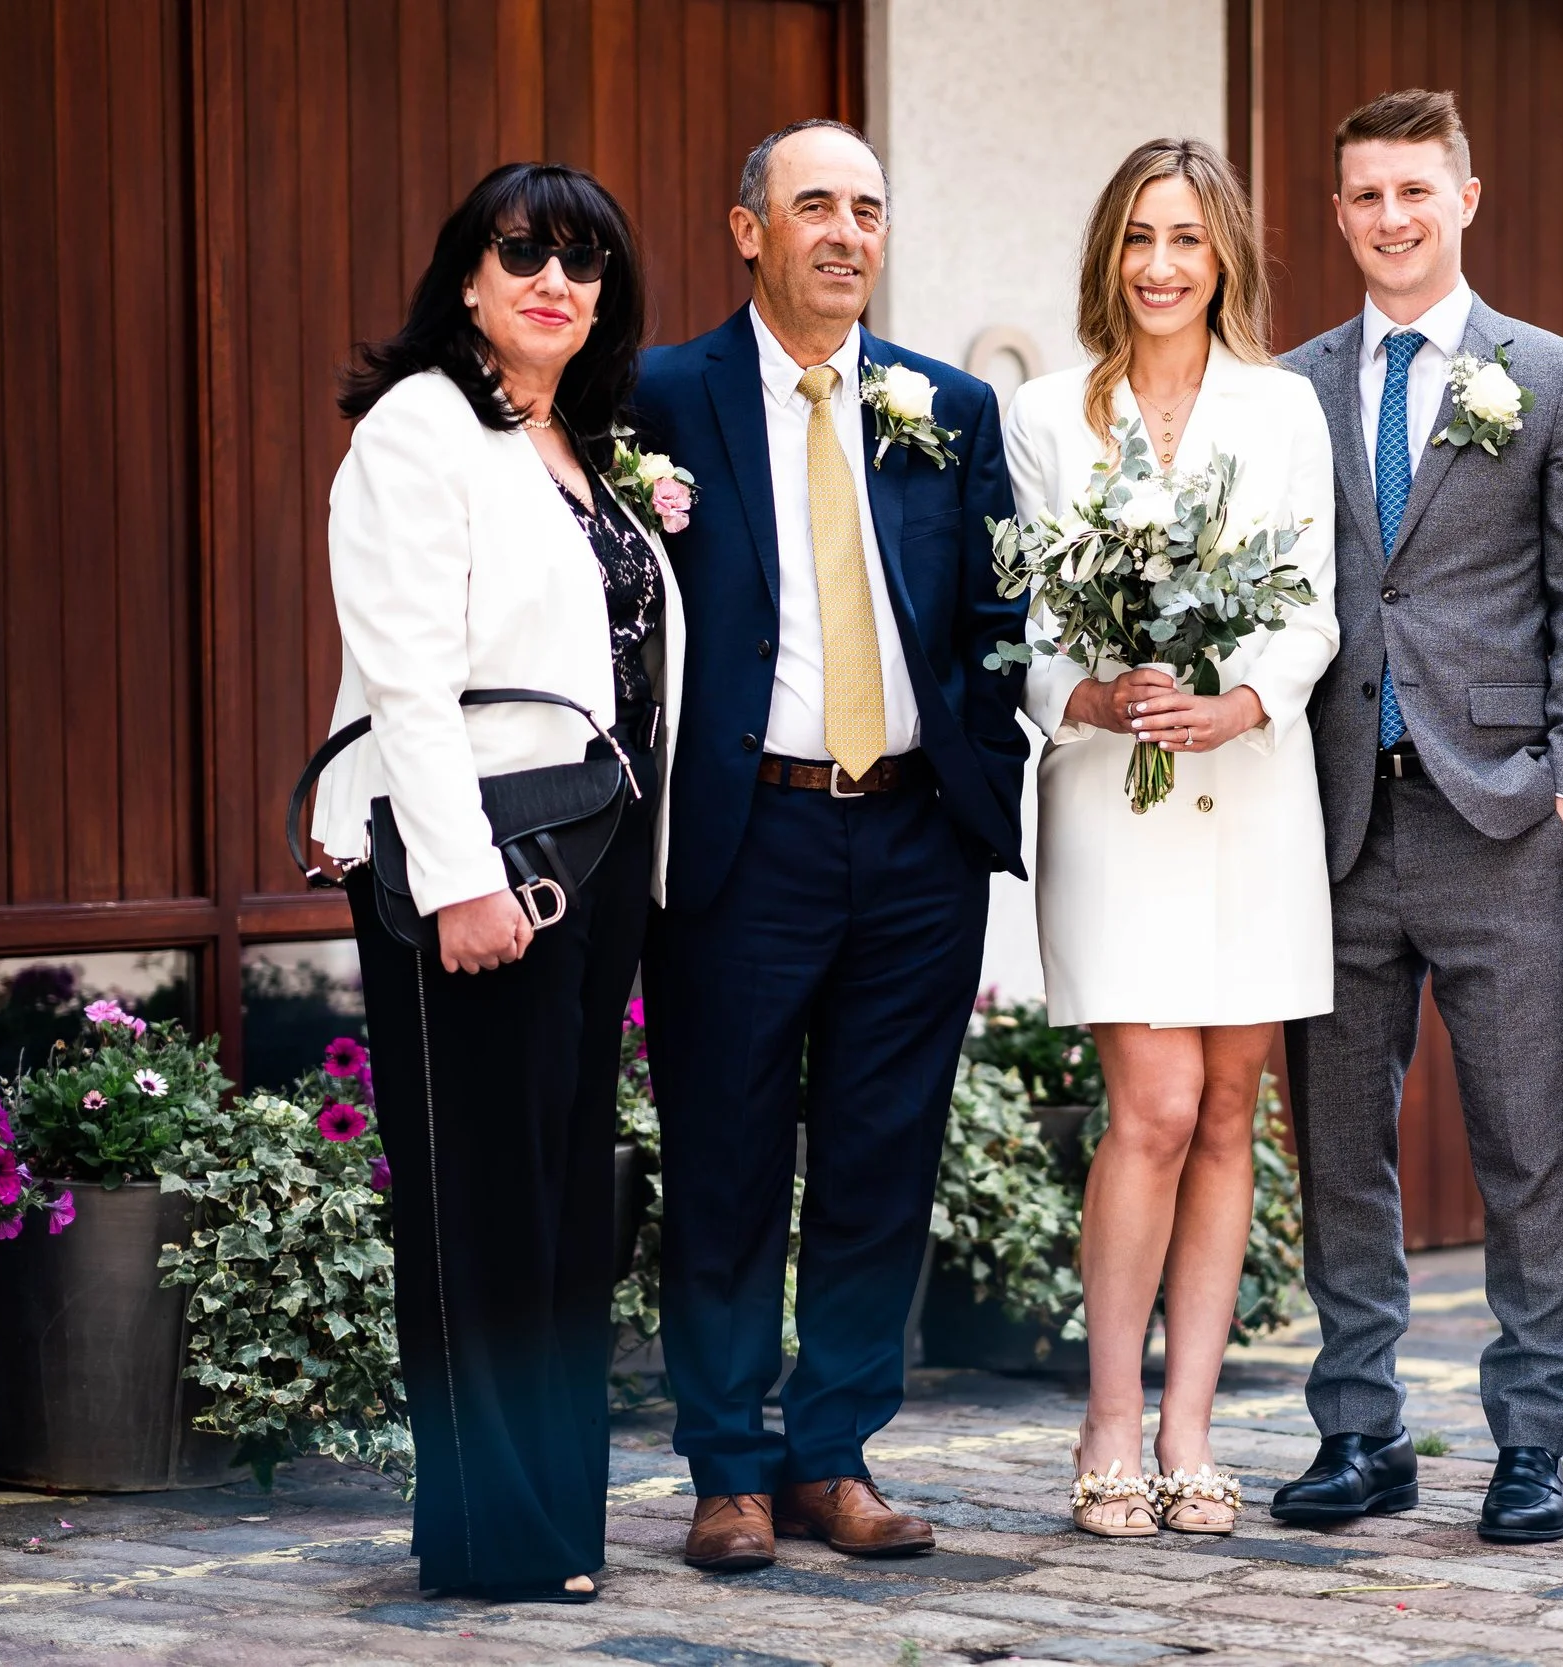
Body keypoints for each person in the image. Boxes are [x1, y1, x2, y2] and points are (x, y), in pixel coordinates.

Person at [630, 119, 1028, 1573]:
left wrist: (983, 773)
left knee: (881, 1160)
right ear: (751, 230)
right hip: (745, 837)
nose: (847, 232)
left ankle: (832, 1456)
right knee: (724, 1161)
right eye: (815, 205)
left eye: (867, 208)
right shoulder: (660, 395)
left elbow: (996, 615)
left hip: (916, 839)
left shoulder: (949, 407)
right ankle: (727, 1469)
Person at [316, 161, 683, 1604]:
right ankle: (491, 1537)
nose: (553, 281)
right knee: (480, 1205)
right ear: (467, 278)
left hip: (595, 861)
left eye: (582, 263)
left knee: (561, 1201)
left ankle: (552, 1525)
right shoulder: (421, 427)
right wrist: (458, 878)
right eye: (521, 252)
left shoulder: (581, 443)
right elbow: (405, 674)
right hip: (480, 863)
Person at [1274, 89, 1563, 1545]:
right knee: (1338, 1146)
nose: (1391, 217)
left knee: (1528, 1145)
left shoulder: (1554, 376)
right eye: (1366, 195)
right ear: (1340, 213)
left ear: (1464, 199)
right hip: (1334, 821)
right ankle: (1360, 1430)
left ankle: (1533, 1439)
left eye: (1415, 189)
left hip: (1499, 820)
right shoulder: (1287, 387)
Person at [1004, 138, 1339, 1538]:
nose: (1161, 265)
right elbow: (1027, 619)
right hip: (1111, 791)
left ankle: (1190, 1429)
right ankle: (1108, 1420)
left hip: (1252, 788)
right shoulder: (1044, 414)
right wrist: (1086, 696)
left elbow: (1311, 601)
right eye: (1140, 236)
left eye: (1187, 239)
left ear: (1225, 258)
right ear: (1109, 253)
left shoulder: (1285, 406)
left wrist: (1244, 700)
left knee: (1228, 1112)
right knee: (1151, 1104)